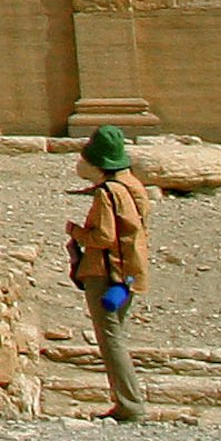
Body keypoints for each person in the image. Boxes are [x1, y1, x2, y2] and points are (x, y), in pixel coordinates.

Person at [68, 124, 154, 423]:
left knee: (110, 338)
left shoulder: (108, 193)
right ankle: (128, 401)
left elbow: (104, 237)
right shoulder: (133, 186)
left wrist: (77, 232)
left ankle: (130, 404)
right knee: (115, 333)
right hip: (130, 274)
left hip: (106, 274)